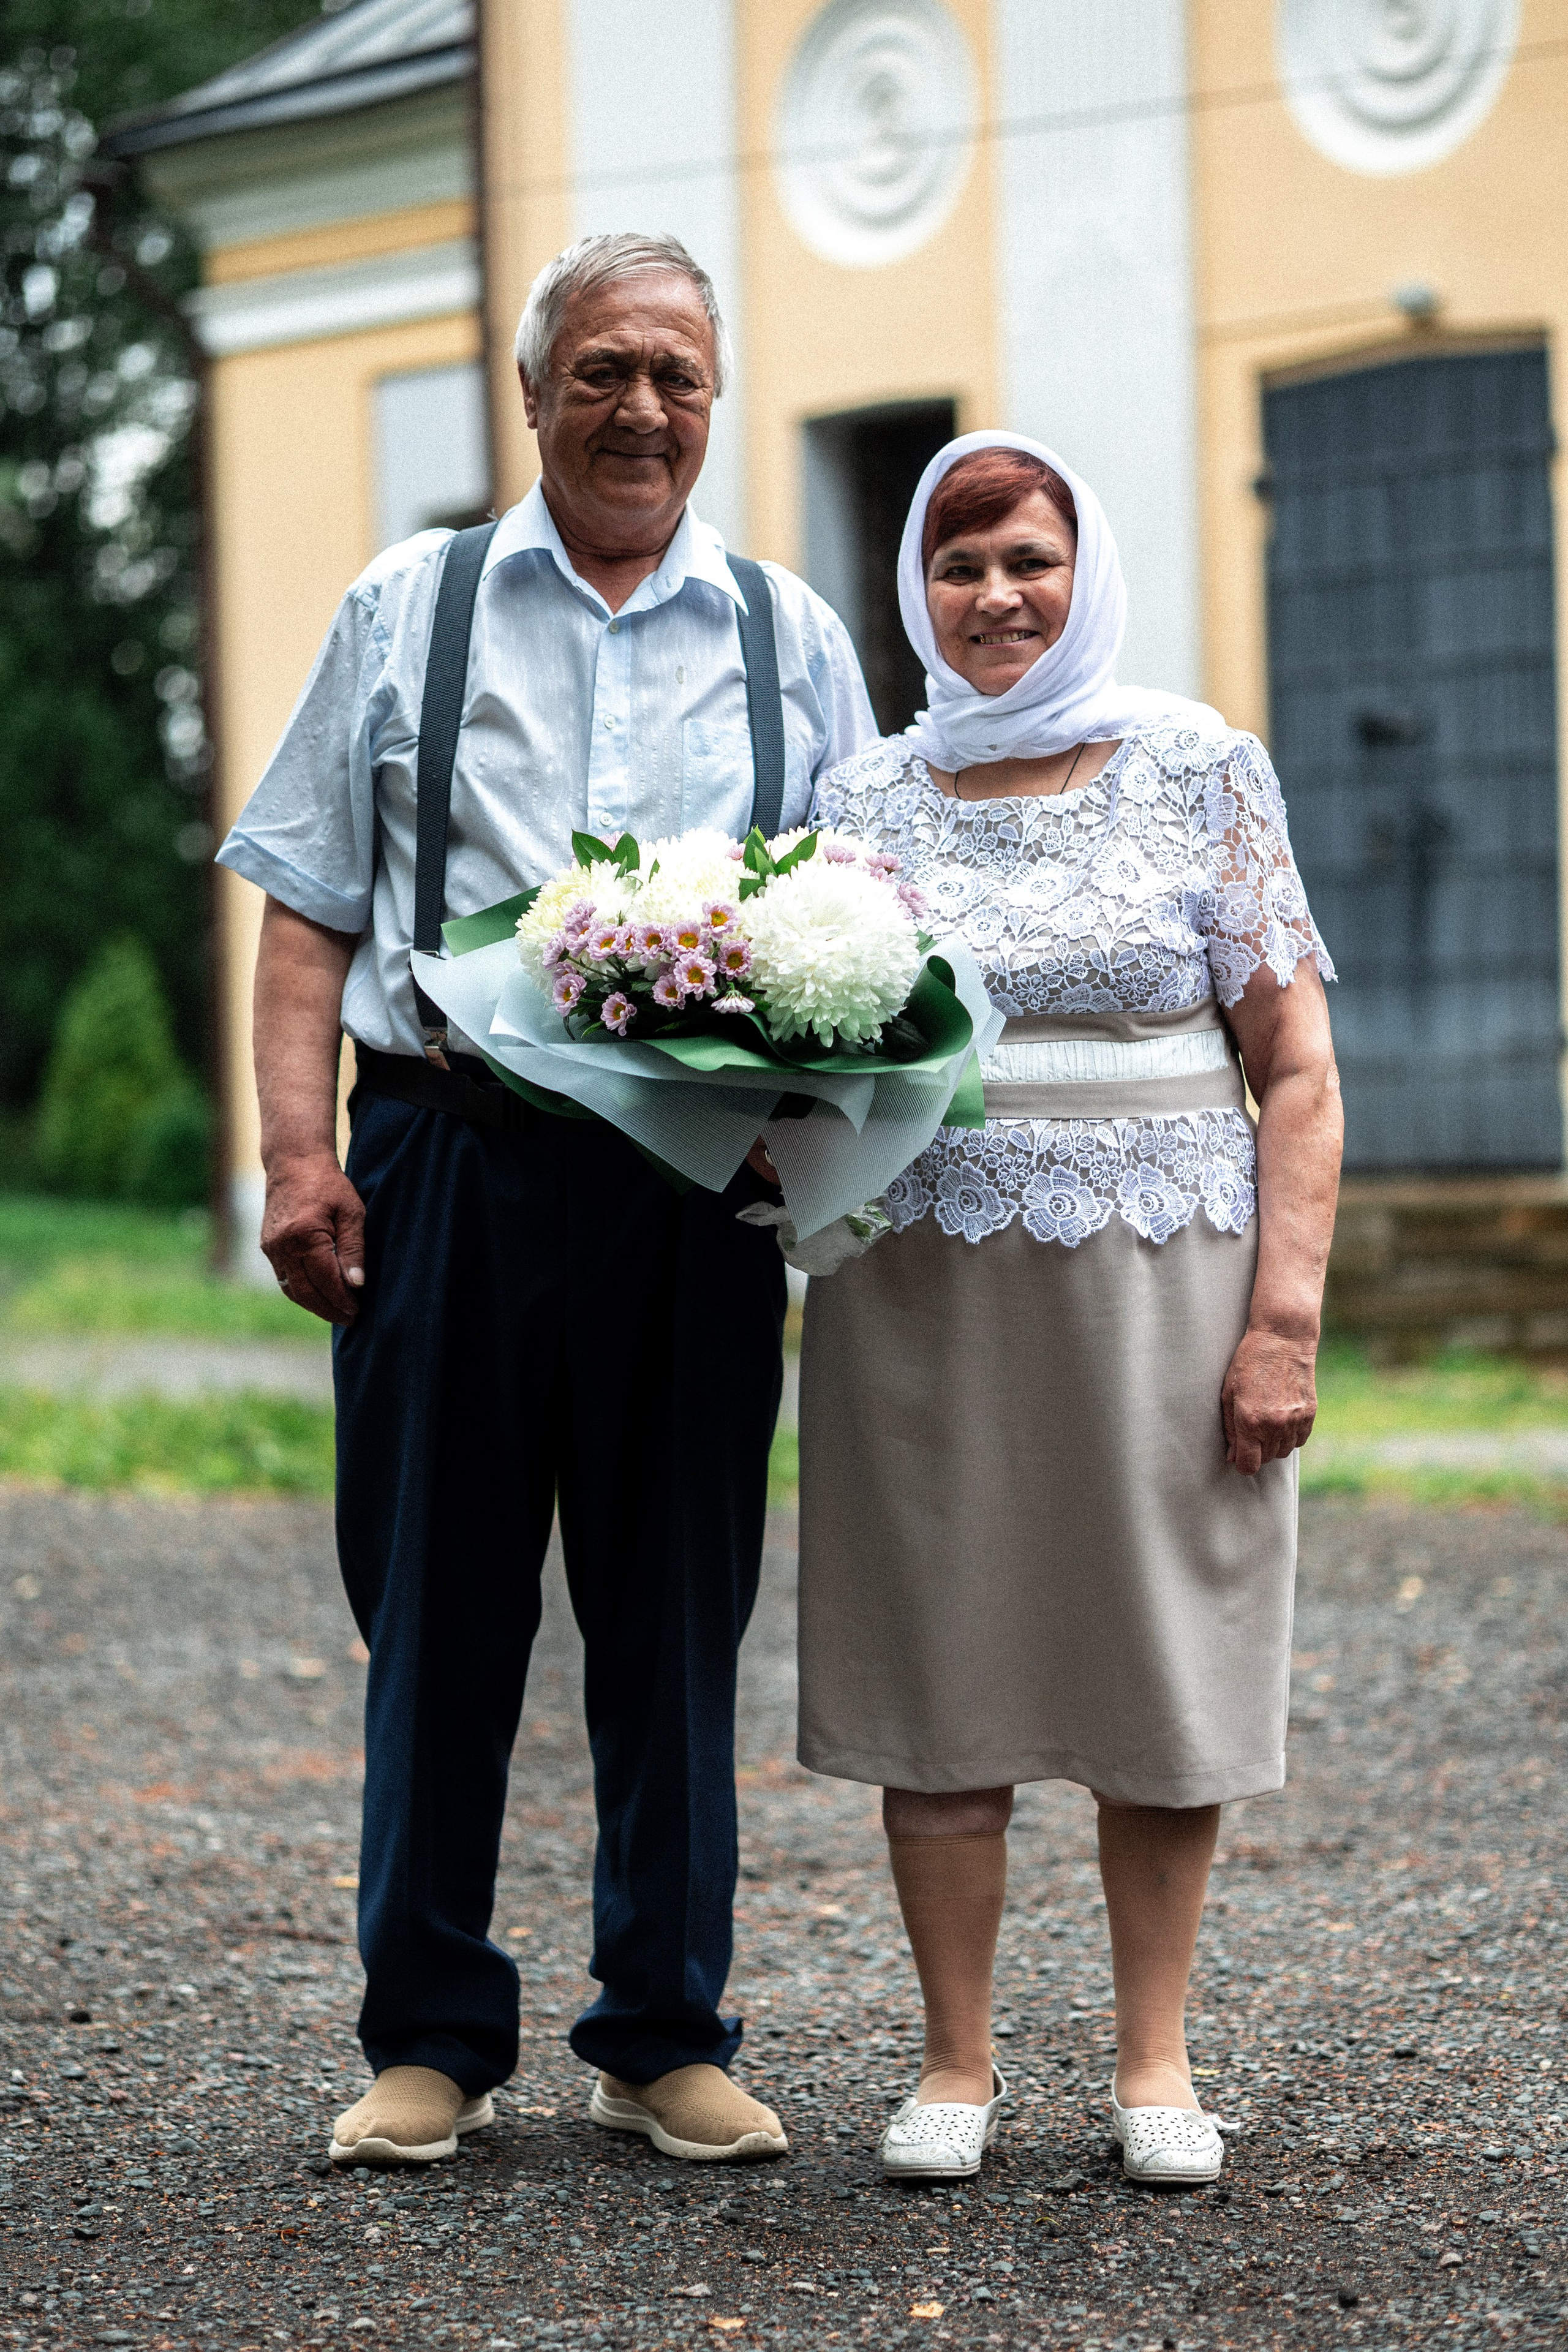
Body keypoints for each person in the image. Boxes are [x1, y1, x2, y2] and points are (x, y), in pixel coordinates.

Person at [216, 232, 875, 2169]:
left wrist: (814, 1125)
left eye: (676, 372)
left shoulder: (790, 634)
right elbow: (307, 911)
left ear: (714, 397)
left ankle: (665, 2029)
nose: (641, 409)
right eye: (601, 369)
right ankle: (427, 2034)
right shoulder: (406, 607)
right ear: (531, 394)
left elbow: (867, 930)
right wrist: (296, 1154)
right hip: (448, 1160)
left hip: (692, 1197)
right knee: (438, 1605)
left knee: (677, 1612)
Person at [797, 431, 1341, 2185]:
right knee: (941, 1647)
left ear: (1081, 566)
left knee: (1154, 1648)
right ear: (918, 595)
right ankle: (954, 2065)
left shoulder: (1202, 766)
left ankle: (1154, 2064)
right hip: (921, 1280)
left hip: (1166, 1279)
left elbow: (1301, 1072)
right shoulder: (858, 798)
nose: (996, 597)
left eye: (1027, 558)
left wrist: (1286, 1325)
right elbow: (805, 1057)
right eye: (959, 568)